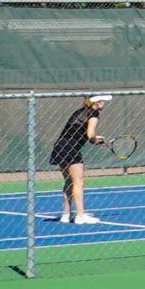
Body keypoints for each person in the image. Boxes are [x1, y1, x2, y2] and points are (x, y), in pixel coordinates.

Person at [48, 94, 111, 224]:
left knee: (69, 182)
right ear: (97, 102)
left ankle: (66, 215)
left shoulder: (79, 111)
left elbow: (80, 132)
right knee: (78, 182)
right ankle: (80, 216)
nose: (104, 103)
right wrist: (95, 140)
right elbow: (90, 134)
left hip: (60, 146)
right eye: (103, 101)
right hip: (71, 148)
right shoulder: (94, 113)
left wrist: (93, 138)